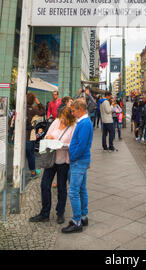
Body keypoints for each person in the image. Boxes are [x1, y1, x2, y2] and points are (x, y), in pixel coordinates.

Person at [29, 106, 76, 224]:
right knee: (44, 185)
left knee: (61, 187)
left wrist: (61, 145)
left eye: (65, 119)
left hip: (63, 161)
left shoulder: (73, 127)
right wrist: (49, 138)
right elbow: (46, 136)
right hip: (51, 160)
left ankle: (60, 213)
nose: (62, 120)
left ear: (70, 119)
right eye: (61, 118)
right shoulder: (56, 122)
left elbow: (73, 144)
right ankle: (44, 213)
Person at [61, 98, 93, 233]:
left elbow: (82, 144)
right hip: (81, 159)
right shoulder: (84, 121)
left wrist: (72, 155)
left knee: (74, 191)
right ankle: (83, 217)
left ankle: (76, 221)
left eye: (73, 111)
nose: (72, 113)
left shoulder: (84, 123)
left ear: (80, 110)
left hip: (78, 160)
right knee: (81, 189)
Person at [26, 93, 45, 179]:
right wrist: (38, 103)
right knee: (31, 154)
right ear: (33, 100)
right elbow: (43, 112)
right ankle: (33, 172)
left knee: (26, 154)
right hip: (30, 135)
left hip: (22, 135)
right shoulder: (32, 109)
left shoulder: (22, 108)